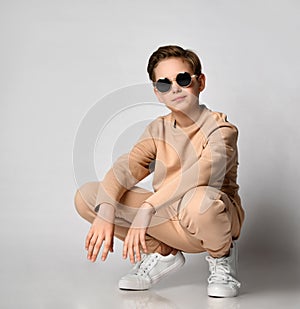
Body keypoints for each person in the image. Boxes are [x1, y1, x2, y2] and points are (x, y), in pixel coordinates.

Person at [74, 45, 245, 297]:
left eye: (183, 79)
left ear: (201, 82)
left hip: (208, 218)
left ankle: (222, 258)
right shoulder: (158, 129)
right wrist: (107, 208)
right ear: (157, 93)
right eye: (164, 84)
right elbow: (127, 167)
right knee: (89, 196)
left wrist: (148, 207)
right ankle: (163, 253)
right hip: (167, 215)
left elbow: (203, 173)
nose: (175, 88)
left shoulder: (221, 128)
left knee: (200, 201)